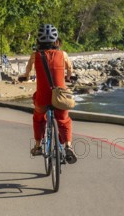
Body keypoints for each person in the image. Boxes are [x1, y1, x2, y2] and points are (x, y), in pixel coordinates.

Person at [24, 24, 76, 164]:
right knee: (64, 120)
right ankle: (68, 146)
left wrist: (25, 77)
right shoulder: (63, 54)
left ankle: (38, 145)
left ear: (38, 41)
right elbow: (70, 69)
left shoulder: (35, 56)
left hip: (43, 97)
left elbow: (27, 71)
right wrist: (69, 77)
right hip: (60, 97)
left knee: (38, 118)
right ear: (56, 40)